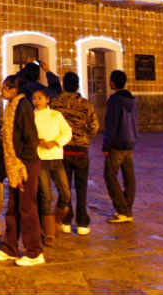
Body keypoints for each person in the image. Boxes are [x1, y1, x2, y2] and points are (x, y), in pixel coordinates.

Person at [0, 74, 44, 267]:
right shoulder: (11, 107)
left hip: (25, 164)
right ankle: (10, 247)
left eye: (6, 87)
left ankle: (34, 251)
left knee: (27, 208)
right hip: (14, 164)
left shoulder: (23, 107)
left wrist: (23, 167)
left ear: (15, 90)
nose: (3, 91)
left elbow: (31, 138)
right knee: (13, 207)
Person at [52, 71, 100, 234]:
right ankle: (82, 223)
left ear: (64, 84)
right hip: (80, 150)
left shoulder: (56, 103)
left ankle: (66, 219)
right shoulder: (86, 104)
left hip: (62, 151)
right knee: (81, 187)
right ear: (77, 85)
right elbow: (94, 126)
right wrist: (84, 137)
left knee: (64, 187)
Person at [32, 88, 72, 245]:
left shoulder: (56, 115)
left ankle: (56, 220)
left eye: (40, 97)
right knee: (46, 195)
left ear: (47, 99)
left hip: (56, 157)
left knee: (65, 192)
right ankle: (49, 232)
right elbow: (28, 135)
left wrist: (55, 142)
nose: (37, 101)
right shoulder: (31, 116)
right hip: (40, 158)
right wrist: (39, 141)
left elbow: (67, 132)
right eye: (34, 98)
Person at [103, 69, 138, 222]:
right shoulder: (132, 99)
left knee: (110, 176)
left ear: (113, 82)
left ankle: (123, 210)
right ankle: (127, 209)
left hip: (117, 143)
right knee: (129, 177)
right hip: (130, 142)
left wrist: (106, 145)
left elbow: (111, 124)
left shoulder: (114, 100)